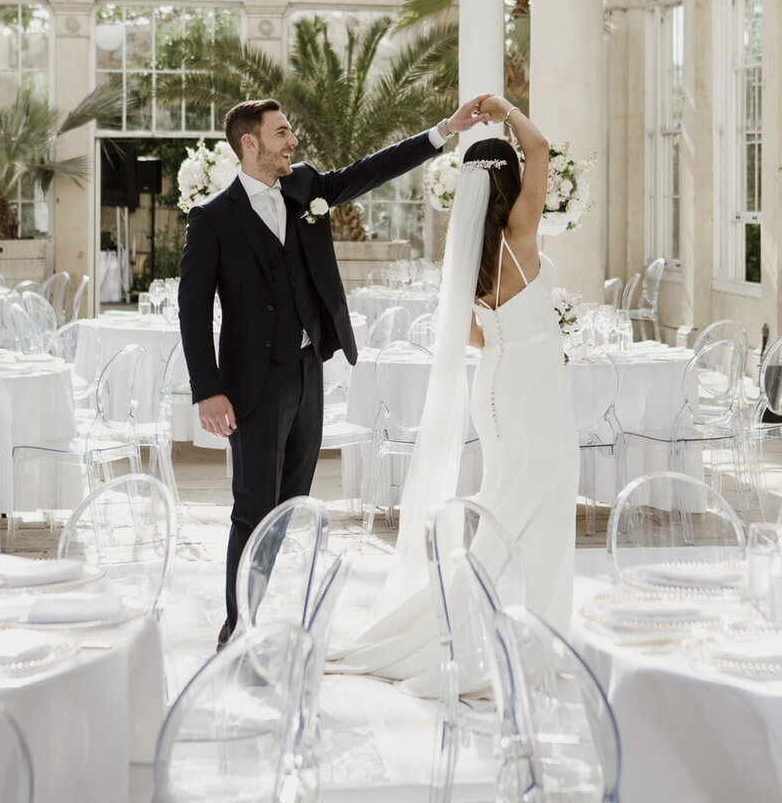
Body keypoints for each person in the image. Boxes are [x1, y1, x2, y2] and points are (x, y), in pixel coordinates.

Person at [177, 94, 493, 648]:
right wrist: (208, 391)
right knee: (254, 505)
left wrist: (445, 130)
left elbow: (373, 169)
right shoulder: (212, 220)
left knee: (290, 503)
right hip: (252, 384)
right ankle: (237, 625)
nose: (292, 142)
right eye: (281, 134)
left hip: (306, 372)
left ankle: (262, 607)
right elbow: (193, 308)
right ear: (250, 144)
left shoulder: (306, 188)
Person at [330, 96, 579, 694]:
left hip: (493, 386)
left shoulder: (474, 256)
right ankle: (525, 632)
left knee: (504, 505)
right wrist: (509, 109)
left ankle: (483, 619)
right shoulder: (522, 231)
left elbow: (471, 334)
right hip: (535, 386)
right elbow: (541, 146)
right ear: (514, 182)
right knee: (540, 504)